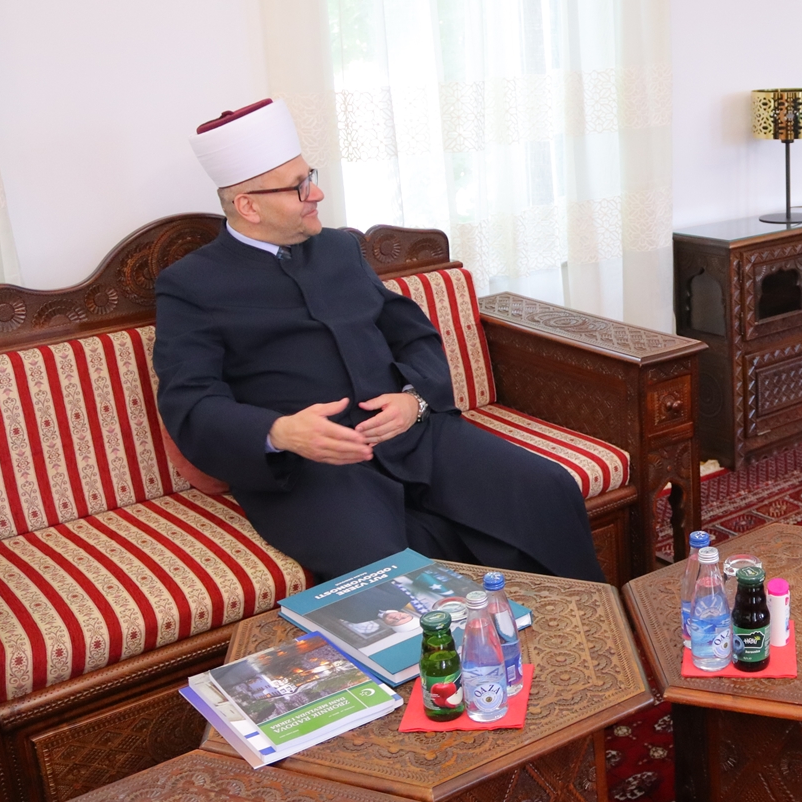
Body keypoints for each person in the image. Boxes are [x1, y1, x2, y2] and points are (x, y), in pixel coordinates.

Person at [154, 98, 606, 584]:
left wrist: (415, 400)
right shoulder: (191, 284)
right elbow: (190, 400)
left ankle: (583, 626)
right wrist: (280, 432)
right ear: (249, 206)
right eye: (299, 186)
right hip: (313, 468)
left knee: (545, 489)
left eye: (311, 176)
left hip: (413, 436)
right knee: (392, 574)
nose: (317, 193)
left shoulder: (339, 248)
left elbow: (413, 335)